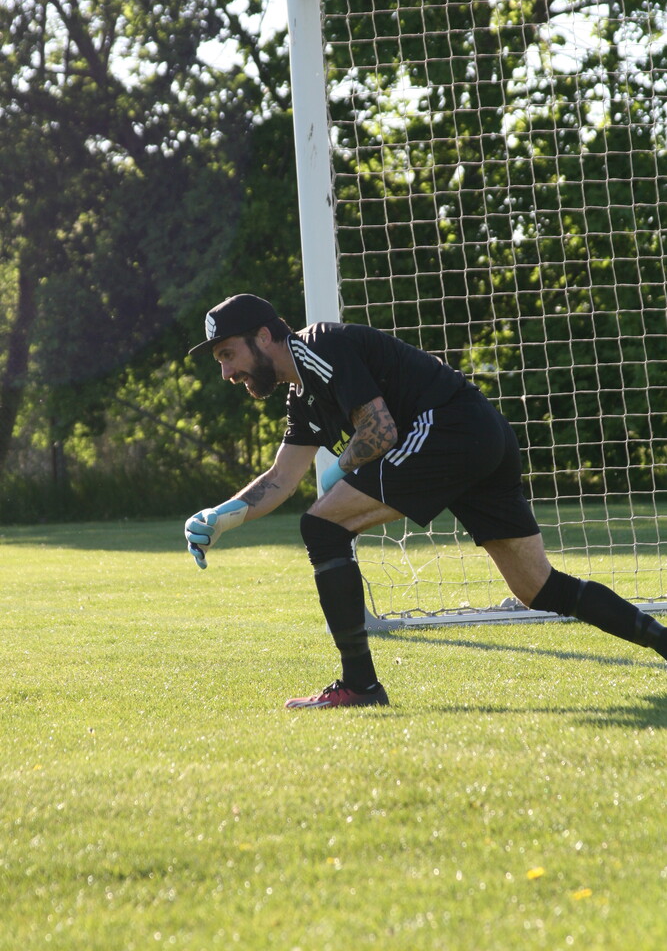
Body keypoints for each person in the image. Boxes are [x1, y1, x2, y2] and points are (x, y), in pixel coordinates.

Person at [184, 293, 667, 709]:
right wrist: (223, 516)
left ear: (264, 336)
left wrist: (338, 469)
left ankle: (360, 686)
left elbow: (380, 430)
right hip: (480, 434)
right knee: (538, 589)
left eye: (228, 354)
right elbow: (281, 478)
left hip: (450, 428)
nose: (227, 372)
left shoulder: (317, 346)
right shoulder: (301, 396)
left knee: (322, 526)